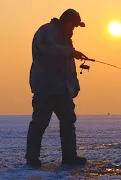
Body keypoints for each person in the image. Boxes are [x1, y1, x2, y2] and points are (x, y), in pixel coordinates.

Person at [26, 9, 88, 167]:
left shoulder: (67, 40)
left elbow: (68, 66)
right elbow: (50, 50)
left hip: (63, 90)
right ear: (65, 21)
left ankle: (70, 157)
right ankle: (32, 158)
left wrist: (74, 85)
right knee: (40, 122)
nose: (73, 29)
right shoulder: (45, 31)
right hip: (46, 87)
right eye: (72, 26)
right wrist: (71, 52)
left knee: (68, 122)